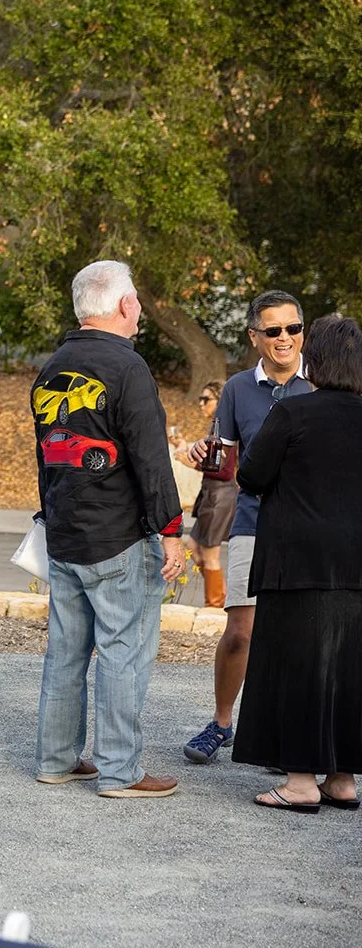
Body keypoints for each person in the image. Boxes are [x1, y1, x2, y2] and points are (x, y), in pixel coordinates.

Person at [32, 260, 185, 799]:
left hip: (65, 531)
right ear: (124, 306)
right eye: (137, 299)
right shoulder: (127, 367)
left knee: (67, 648)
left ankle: (55, 759)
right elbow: (151, 458)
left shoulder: (53, 365)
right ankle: (121, 771)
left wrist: (47, 514)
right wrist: (171, 528)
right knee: (123, 650)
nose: (139, 307)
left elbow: (45, 455)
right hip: (117, 535)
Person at [232, 314, 362, 812]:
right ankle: (344, 778)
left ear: (317, 360)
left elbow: (252, 475)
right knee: (350, 669)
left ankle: (302, 782)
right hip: (356, 565)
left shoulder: (293, 414)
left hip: (297, 560)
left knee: (298, 667)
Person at [179, 290, 311, 765]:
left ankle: (285, 735)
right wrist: (202, 450)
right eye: (273, 330)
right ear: (255, 336)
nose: (285, 339)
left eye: (293, 328)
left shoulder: (323, 385)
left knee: (298, 637)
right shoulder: (236, 388)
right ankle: (220, 723)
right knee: (240, 632)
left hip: (307, 529)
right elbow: (221, 453)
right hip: (253, 523)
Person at [179, 380, 234, 608]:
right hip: (210, 494)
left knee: (210, 555)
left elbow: (224, 470)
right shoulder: (215, 426)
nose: (201, 404)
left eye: (206, 399)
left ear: (219, 401)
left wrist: (192, 465)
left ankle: (216, 605)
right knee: (193, 548)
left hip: (219, 495)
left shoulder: (226, 427)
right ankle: (220, 598)